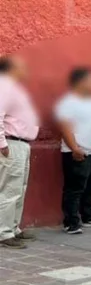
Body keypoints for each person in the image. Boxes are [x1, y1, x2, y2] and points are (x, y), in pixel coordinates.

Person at [56, 68, 91, 234]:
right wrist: (74, 148)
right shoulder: (68, 102)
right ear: (80, 82)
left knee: (90, 188)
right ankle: (71, 222)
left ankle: (89, 217)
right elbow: (65, 127)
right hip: (78, 152)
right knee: (74, 189)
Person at [0, 55, 40, 249]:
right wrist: (2, 144)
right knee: (10, 189)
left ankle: (13, 227)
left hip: (22, 144)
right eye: (21, 66)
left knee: (19, 188)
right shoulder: (4, 86)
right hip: (11, 144)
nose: (26, 69)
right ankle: (4, 232)